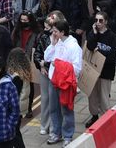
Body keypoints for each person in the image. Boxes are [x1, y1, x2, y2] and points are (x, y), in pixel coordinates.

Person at [42, 17, 81, 145]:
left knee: (66, 110)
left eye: (55, 31)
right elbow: (47, 57)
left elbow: (77, 68)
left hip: (65, 83)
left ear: (63, 32)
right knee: (54, 109)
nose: (53, 33)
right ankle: (56, 133)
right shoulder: (56, 42)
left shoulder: (74, 46)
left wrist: (59, 64)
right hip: (54, 81)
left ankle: (68, 136)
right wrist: (52, 44)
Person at [83, 10, 116, 127]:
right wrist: (94, 32)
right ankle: (94, 116)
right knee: (92, 96)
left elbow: (113, 56)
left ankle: (106, 119)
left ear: (106, 22)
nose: (98, 23)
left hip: (106, 72)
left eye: (101, 20)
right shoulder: (93, 33)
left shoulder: (112, 36)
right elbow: (90, 46)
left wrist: (100, 52)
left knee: (103, 97)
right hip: (93, 71)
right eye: (96, 20)